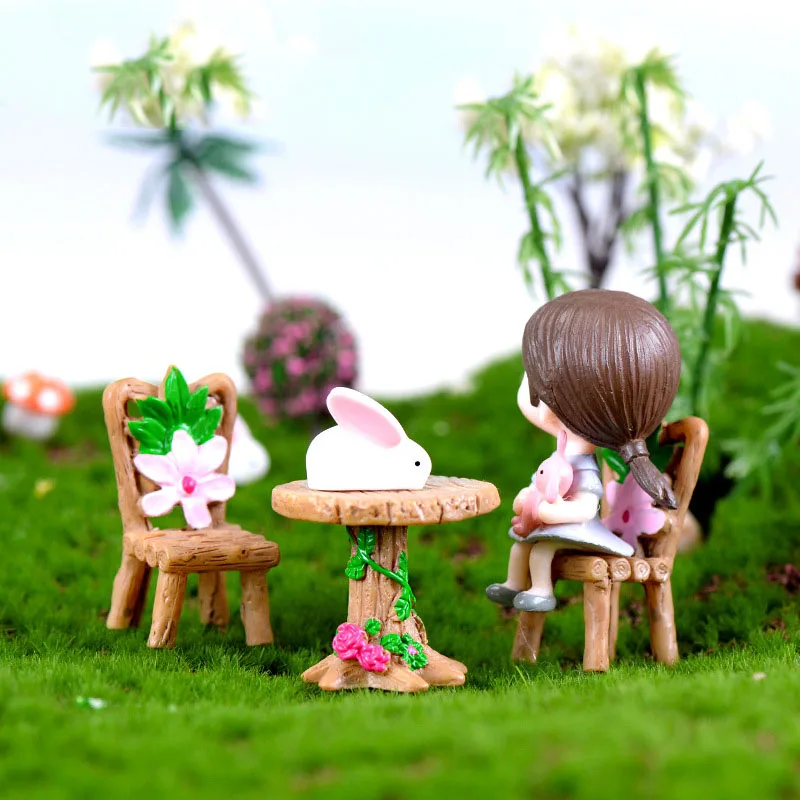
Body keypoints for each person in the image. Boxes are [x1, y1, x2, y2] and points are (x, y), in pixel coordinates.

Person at [486, 289, 682, 612]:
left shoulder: (584, 466)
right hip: (550, 525)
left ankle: (542, 591)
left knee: (541, 552)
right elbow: (540, 484)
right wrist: (527, 498)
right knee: (519, 547)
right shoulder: (562, 454)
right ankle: (513, 585)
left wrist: (551, 513)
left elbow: (586, 507)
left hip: (578, 528)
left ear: (555, 406)